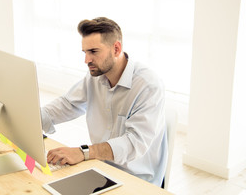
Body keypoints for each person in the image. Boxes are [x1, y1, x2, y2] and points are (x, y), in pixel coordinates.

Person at [41, 17, 167, 186]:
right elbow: (68, 104)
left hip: (137, 180)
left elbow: (134, 143)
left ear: (116, 48)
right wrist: (28, 119)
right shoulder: (96, 76)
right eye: (84, 52)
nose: (86, 60)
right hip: (100, 167)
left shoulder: (148, 85)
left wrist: (82, 152)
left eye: (93, 51)